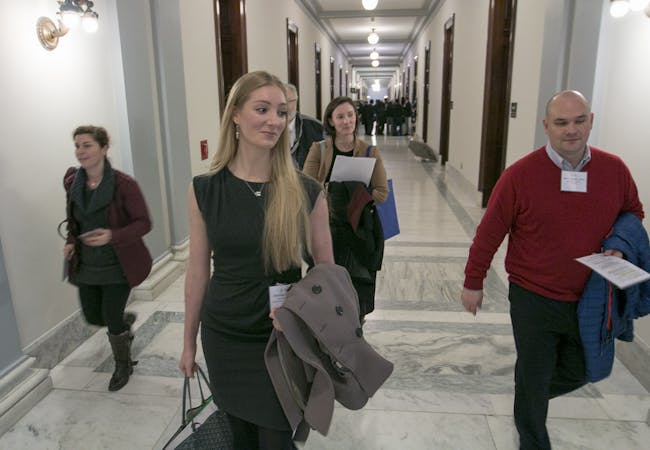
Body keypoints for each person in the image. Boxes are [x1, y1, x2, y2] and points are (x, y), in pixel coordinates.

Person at [461, 90, 644, 450]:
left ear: (591, 121)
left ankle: (529, 391)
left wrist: (620, 243)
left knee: (583, 370)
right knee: (535, 374)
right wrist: (474, 280)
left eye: (579, 120)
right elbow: (490, 231)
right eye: (561, 122)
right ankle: (532, 434)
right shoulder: (520, 175)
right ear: (546, 126)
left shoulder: (614, 170)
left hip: (591, 296)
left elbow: (633, 212)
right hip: (534, 297)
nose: (571, 130)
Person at [179, 71, 333, 449]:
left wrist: (299, 311)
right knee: (240, 438)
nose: (274, 121)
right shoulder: (205, 189)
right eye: (262, 109)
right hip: (224, 335)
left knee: (278, 438)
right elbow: (197, 272)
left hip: (278, 338)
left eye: (281, 112)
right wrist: (187, 343)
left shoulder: (305, 191)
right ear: (235, 114)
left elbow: (328, 277)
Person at [62, 125, 152, 392]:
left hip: (118, 264)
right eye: (77, 145)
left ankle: (123, 364)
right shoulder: (72, 181)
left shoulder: (124, 185)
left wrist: (112, 235)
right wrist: (70, 241)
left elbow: (144, 223)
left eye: (87, 145)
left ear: (104, 148)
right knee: (93, 316)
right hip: (86, 263)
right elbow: (73, 219)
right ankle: (124, 323)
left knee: (110, 317)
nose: (81, 151)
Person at [303, 96, 389, 320]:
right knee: (326, 286)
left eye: (350, 115)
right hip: (326, 229)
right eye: (340, 116)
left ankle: (354, 332)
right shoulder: (319, 150)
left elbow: (382, 193)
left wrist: (355, 195)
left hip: (359, 231)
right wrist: (333, 191)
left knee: (357, 287)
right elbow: (305, 188)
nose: (346, 121)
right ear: (331, 121)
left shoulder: (370, 152)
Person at [285, 83, 324, 170]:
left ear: (296, 101)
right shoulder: (267, 128)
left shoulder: (316, 127)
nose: (285, 106)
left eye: (288, 101)